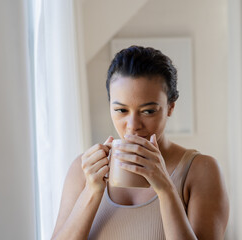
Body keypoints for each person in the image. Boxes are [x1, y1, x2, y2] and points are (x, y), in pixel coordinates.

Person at [51, 46, 229, 240]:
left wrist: (166, 189)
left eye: (148, 111)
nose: (133, 126)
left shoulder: (201, 170)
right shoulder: (83, 169)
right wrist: (92, 191)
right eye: (121, 110)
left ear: (170, 107)